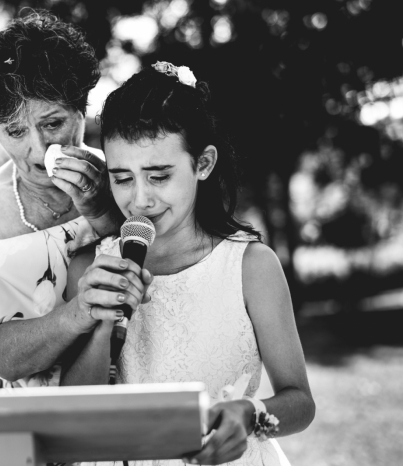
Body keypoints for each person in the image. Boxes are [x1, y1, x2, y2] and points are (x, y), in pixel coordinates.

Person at [61, 63, 316, 465]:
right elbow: (73, 418)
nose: (139, 199)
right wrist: (100, 319)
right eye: (122, 178)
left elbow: (300, 401)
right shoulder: (90, 269)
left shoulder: (250, 267)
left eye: (159, 175)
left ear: (203, 164)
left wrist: (249, 415)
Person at [0, 11, 152, 388]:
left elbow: (168, 283)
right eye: (15, 131)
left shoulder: (130, 179)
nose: (38, 149)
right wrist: (77, 312)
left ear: (81, 108)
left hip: (148, 381)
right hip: (39, 420)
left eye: (52, 123)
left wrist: (104, 213)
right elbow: (6, 358)